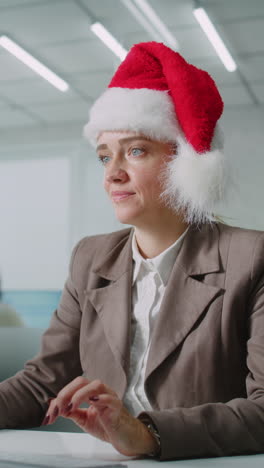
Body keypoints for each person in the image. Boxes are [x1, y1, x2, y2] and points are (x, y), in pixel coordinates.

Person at [0, 41, 263, 461]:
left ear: (184, 162)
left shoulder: (252, 257)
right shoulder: (90, 257)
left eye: (135, 151)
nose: (113, 174)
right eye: (105, 157)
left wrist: (145, 435)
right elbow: (41, 383)